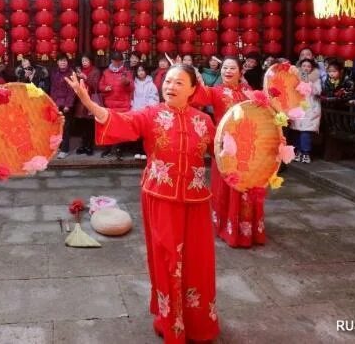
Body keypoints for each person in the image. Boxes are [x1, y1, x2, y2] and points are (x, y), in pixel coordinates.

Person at [67, 64, 220, 343]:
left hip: (197, 199)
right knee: (168, 259)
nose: (170, 86)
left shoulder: (205, 122)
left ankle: (199, 325)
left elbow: (225, 152)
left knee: (198, 261)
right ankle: (171, 322)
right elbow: (118, 121)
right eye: (168, 81)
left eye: (178, 82)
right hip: (161, 198)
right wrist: (88, 101)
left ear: (193, 90)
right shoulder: (151, 115)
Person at [190, 57, 262, 248]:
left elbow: (262, 116)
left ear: (241, 72)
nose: (227, 71)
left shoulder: (250, 93)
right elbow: (198, 96)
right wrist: (194, 78)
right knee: (224, 186)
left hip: (248, 147)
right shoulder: (216, 91)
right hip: (224, 146)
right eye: (225, 68)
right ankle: (225, 227)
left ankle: (245, 229)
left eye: (232, 68)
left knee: (246, 187)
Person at [99, 52, 134, 159]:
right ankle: (108, 149)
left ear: (122, 62)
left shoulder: (127, 72)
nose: (117, 63)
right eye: (115, 61)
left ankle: (119, 150)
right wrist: (105, 88)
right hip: (109, 104)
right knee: (108, 127)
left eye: (119, 61)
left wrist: (127, 83)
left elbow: (132, 88)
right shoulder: (106, 72)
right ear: (112, 61)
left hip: (123, 105)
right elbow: (100, 86)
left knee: (120, 128)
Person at [290, 59, 322, 163]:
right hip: (298, 106)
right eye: (304, 66)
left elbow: (318, 91)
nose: (306, 68)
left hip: (310, 107)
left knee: (306, 131)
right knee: (296, 130)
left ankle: (306, 153)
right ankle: (298, 151)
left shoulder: (316, 78)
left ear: (312, 68)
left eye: (308, 66)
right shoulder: (295, 77)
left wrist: (310, 84)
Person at [72, 54, 101, 156]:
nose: (84, 62)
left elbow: (96, 86)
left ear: (90, 61)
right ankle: (83, 145)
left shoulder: (95, 71)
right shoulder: (79, 71)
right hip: (81, 101)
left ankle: (90, 146)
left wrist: (86, 77)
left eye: (86, 61)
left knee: (90, 125)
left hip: (90, 100)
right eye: (83, 61)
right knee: (82, 124)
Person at [131, 64, 159, 160]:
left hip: (147, 112)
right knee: (136, 132)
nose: (141, 72)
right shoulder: (133, 83)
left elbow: (154, 97)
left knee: (146, 133)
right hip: (136, 110)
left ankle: (144, 151)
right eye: (139, 71)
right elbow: (131, 97)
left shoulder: (151, 84)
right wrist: (133, 108)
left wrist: (149, 108)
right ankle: (136, 151)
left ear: (146, 71)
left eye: (142, 70)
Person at [50, 54, 76, 158]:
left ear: (67, 62)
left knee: (65, 127)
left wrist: (68, 105)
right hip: (55, 103)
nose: (62, 63)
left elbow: (72, 91)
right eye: (61, 61)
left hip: (65, 104)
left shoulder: (71, 73)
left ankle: (65, 150)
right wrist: (51, 102)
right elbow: (53, 88)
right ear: (57, 62)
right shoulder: (54, 73)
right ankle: (59, 147)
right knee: (56, 127)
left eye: (64, 61)